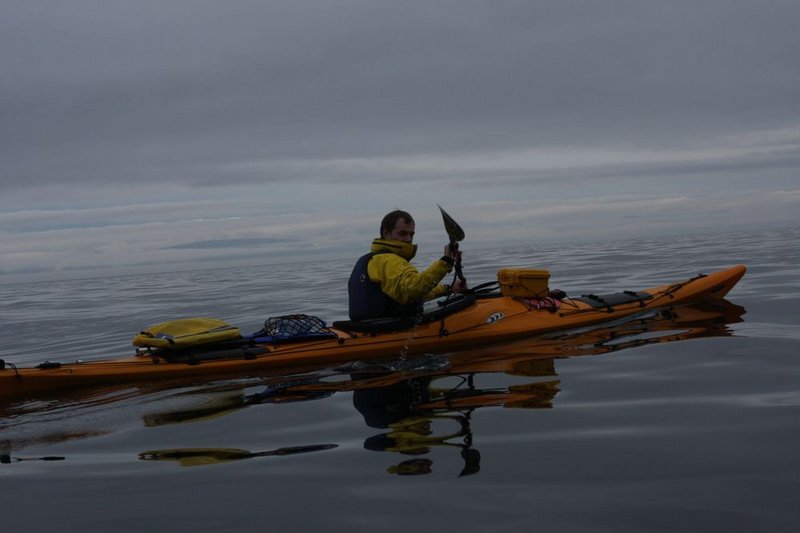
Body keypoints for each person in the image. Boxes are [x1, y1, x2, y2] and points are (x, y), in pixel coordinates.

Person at [348, 209, 467, 321]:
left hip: (369, 327)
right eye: (403, 234)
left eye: (411, 234)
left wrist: (448, 289)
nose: (408, 239)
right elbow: (411, 290)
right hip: (387, 329)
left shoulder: (372, 259)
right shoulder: (388, 260)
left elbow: (413, 294)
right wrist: (445, 262)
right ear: (386, 233)